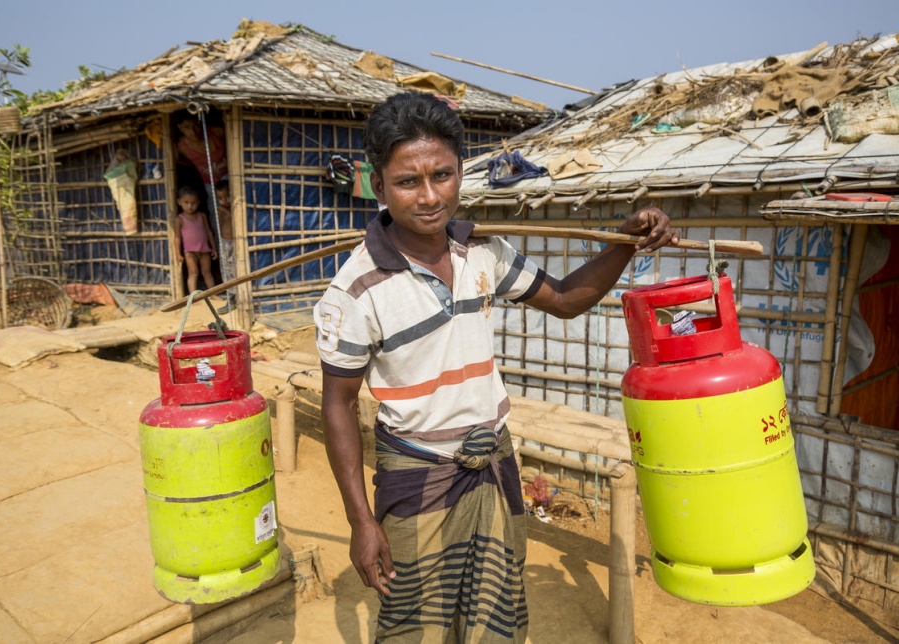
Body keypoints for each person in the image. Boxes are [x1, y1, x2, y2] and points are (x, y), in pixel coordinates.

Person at [313, 91, 679, 643]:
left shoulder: (483, 254)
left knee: (495, 623)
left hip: (493, 466)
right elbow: (337, 406)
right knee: (415, 628)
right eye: (409, 182)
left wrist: (626, 244)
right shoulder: (355, 291)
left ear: (462, 172)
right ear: (378, 184)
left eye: (443, 175)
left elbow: (564, 299)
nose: (430, 196)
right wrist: (361, 523)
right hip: (417, 481)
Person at [176, 113, 228, 226]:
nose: (193, 131)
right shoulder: (181, 146)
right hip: (209, 182)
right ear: (179, 127)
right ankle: (221, 241)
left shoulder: (216, 133)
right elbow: (178, 161)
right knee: (215, 211)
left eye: (196, 125)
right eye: (187, 127)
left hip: (228, 176)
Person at [173, 185, 218, 294]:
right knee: (193, 273)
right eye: (186, 202)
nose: (190, 206)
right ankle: (193, 297)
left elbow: (208, 232)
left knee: (207, 273)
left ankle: (213, 294)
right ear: (179, 202)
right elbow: (177, 237)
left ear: (198, 202)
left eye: (193, 203)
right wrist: (178, 253)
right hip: (190, 252)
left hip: (204, 250)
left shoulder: (201, 216)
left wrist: (214, 248)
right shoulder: (179, 219)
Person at [214, 179, 237, 310]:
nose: (224, 201)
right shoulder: (220, 210)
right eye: (220, 198)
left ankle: (236, 297)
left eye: (227, 196)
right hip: (224, 242)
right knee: (227, 270)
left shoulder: (235, 208)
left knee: (235, 269)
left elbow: (233, 219)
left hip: (235, 243)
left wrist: (225, 211)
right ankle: (231, 297)